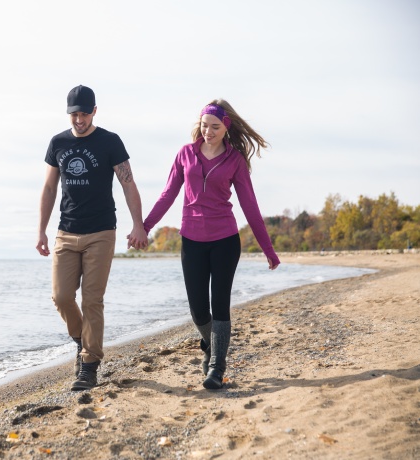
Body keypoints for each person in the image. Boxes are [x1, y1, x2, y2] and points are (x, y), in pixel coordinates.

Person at [142, 99, 280, 390]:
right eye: (204, 125)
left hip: (225, 240)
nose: (208, 131)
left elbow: (250, 207)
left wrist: (268, 249)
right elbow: (168, 194)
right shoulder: (185, 154)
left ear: (226, 127)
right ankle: (211, 343)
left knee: (220, 303)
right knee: (197, 309)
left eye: (215, 127)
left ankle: (217, 366)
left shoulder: (235, 161)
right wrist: (144, 227)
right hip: (191, 239)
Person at [37, 85, 148, 391]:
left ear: (94, 112)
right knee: (60, 297)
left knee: (92, 299)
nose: (79, 119)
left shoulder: (110, 141)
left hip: (101, 232)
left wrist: (139, 225)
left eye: (85, 113)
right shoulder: (57, 142)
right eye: (74, 114)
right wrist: (41, 231)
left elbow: (128, 183)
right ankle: (81, 340)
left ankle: (89, 365)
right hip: (66, 232)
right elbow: (48, 189)